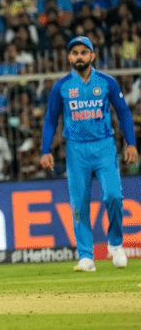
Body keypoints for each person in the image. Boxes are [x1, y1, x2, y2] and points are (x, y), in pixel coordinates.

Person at [40, 36, 136, 271]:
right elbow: (51, 119)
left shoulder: (107, 82)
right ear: (70, 57)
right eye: (75, 53)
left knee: (113, 196)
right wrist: (45, 150)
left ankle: (115, 244)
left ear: (92, 56)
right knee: (79, 205)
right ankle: (86, 256)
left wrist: (131, 143)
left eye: (84, 52)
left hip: (104, 146)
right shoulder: (61, 86)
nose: (79, 56)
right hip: (75, 150)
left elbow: (123, 112)